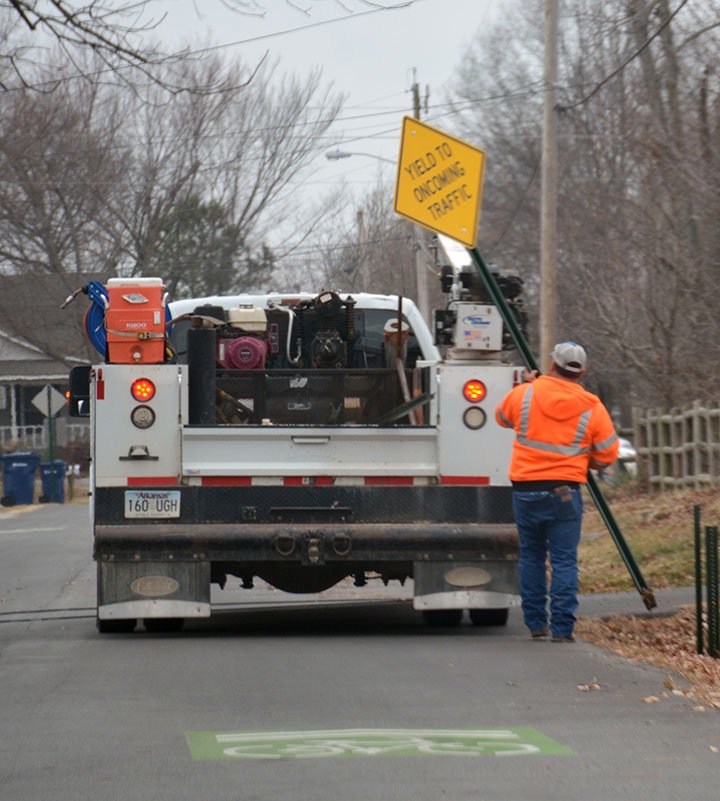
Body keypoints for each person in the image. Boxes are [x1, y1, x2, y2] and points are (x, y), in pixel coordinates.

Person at [495, 342, 619, 642]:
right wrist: (583, 458)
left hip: (525, 489)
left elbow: (501, 417)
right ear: (582, 371)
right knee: (564, 560)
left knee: (531, 557)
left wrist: (529, 385)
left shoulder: (526, 393)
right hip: (565, 491)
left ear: (552, 365)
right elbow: (608, 454)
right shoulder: (592, 406)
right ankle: (562, 629)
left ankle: (536, 623)